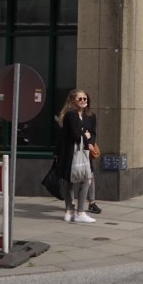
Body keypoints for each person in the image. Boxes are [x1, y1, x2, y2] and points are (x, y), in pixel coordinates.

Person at [54, 89, 97, 224]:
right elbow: (75, 134)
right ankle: (71, 210)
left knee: (86, 179)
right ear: (73, 101)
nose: (83, 101)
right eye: (80, 99)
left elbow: (93, 133)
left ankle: (79, 212)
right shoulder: (70, 115)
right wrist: (86, 136)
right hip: (70, 152)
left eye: (85, 99)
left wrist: (90, 142)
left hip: (84, 153)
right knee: (70, 180)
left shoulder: (90, 115)